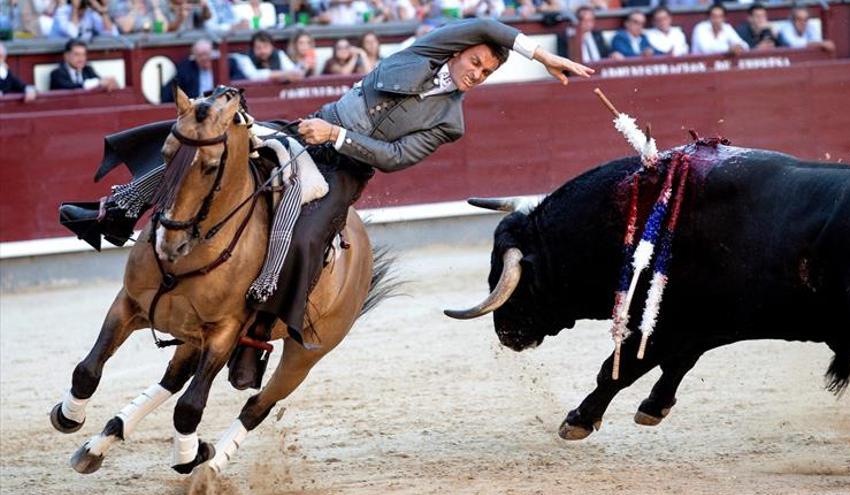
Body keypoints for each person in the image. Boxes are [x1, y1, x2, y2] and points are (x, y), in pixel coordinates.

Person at [58, 18, 593, 390]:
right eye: (476, 62)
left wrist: (336, 140)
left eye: (486, 73)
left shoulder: (452, 120)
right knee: (205, 143)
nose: (477, 73)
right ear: (458, 51)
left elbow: (396, 156)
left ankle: (257, 336)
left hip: (345, 168)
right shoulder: (425, 52)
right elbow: (487, 28)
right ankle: (113, 212)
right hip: (306, 127)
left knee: (310, 236)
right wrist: (539, 54)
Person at [229, 30, 304, 82]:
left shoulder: (278, 54)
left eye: (266, 47)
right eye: (258, 48)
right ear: (252, 48)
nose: (263, 51)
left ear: (272, 47)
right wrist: (282, 74)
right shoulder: (245, 58)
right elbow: (253, 76)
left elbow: (293, 70)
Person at [49, 38, 119, 90]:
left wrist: (109, 83)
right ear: (66, 56)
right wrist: (97, 83)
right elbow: (70, 88)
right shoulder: (56, 74)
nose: (81, 59)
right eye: (77, 54)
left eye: (83, 55)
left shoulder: (88, 70)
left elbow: (99, 82)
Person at [48, 0, 118, 39]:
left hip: (82, 54)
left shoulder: (89, 12)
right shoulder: (62, 12)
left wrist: (103, 12)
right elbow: (73, 34)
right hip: (59, 55)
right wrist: (75, 8)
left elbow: (112, 34)